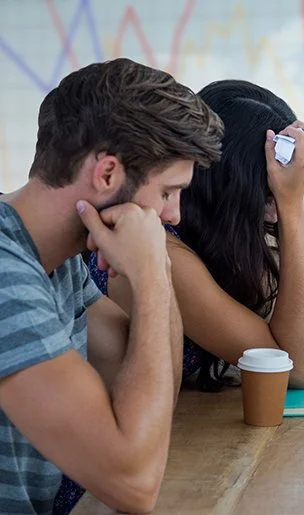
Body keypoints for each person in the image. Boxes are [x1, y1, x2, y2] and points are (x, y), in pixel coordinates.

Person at [0, 58, 223, 514]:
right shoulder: (7, 276)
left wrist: (153, 273)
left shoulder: (53, 260)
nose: (175, 215)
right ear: (106, 175)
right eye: (167, 192)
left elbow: (152, 391)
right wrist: (153, 279)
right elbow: (135, 483)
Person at [92, 79, 304, 392]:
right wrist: (293, 207)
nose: (272, 214)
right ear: (224, 191)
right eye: (265, 196)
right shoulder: (160, 247)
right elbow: (293, 368)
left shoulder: (204, 239)